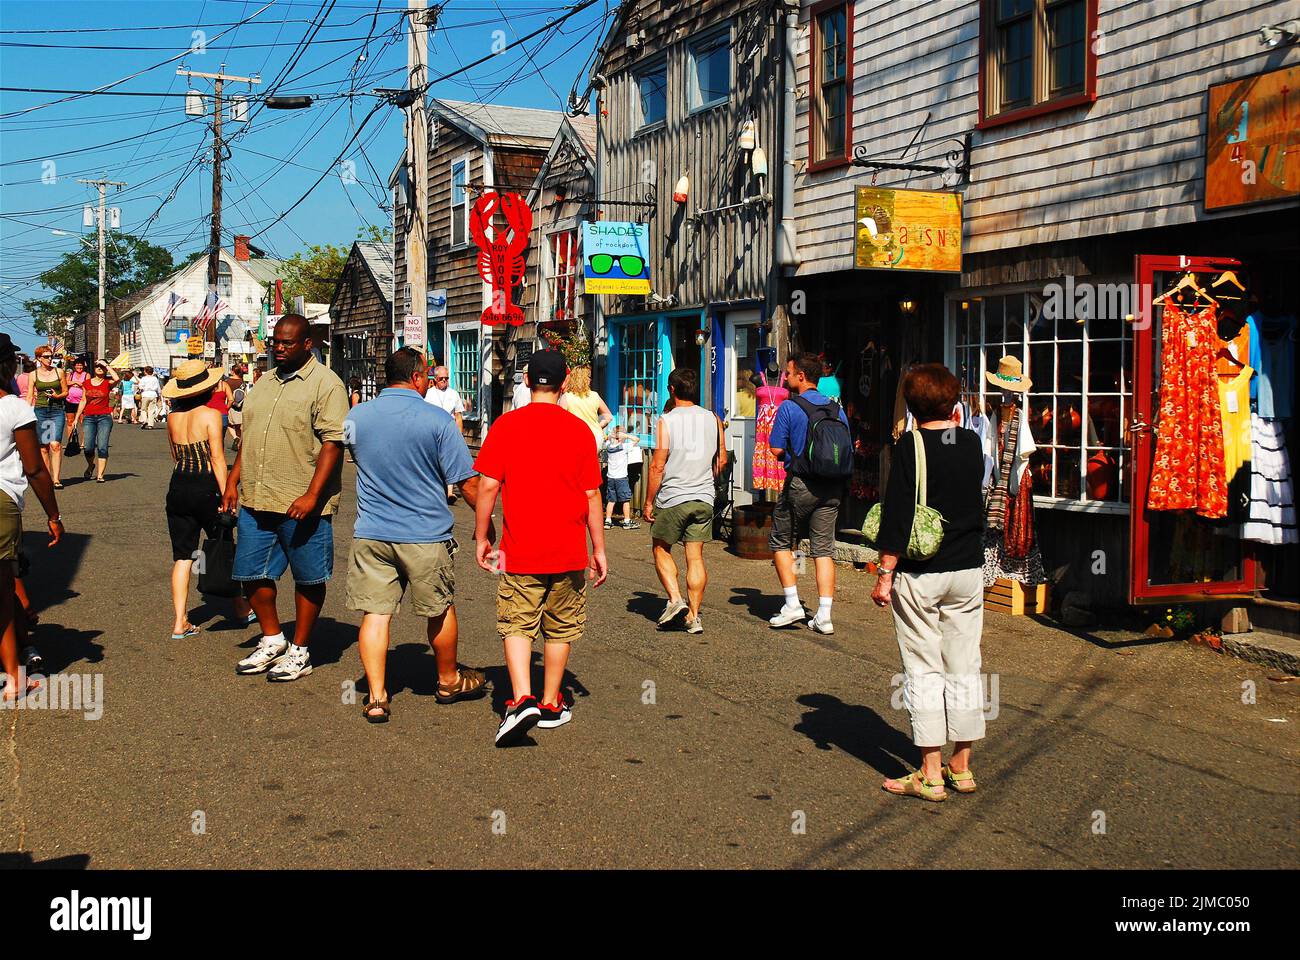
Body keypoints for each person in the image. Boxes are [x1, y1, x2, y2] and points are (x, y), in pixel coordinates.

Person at [344, 347, 488, 723]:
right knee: (439, 609)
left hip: (373, 532)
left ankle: (376, 697)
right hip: (424, 534)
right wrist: (486, 525)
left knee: (375, 613)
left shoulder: (357, 417)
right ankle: (447, 680)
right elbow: (466, 482)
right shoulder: (437, 421)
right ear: (418, 377)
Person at [473, 349, 607, 747]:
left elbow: (488, 485)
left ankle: (520, 699)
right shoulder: (580, 431)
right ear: (564, 384)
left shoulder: (506, 426)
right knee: (560, 625)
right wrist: (598, 547)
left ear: (528, 382)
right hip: (569, 550)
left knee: (517, 620)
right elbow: (592, 495)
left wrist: (482, 535)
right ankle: (550, 702)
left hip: (519, 549)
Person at [871, 364, 986, 802]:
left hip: (923, 571)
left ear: (912, 405)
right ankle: (963, 765)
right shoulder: (972, 441)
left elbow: (899, 514)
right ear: (953, 402)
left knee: (923, 667)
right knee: (964, 664)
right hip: (968, 570)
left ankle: (931, 773)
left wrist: (885, 573)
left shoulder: (910, 445)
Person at [221, 314, 349, 682]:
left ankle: (300, 650)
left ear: (307, 344)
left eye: (287, 342)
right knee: (250, 573)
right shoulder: (264, 382)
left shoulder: (327, 385)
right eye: (275, 341)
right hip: (257, 498)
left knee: (308, 578)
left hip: (302, 502)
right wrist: (233, 478)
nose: (278, 347)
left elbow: (333, 443)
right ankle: (273, 638)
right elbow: (252, 435)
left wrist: (312, 494)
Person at [163, 359, 252, 639]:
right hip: (207, 485)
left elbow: (175, 455)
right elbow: (216, 457)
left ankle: (180, 621)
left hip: (179, 484)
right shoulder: (211, 415)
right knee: (222, 545)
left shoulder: (173, 418)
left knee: (182, 555)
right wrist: (228, 493)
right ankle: (239, 607)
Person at [767, 352, 850, 634]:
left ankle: (792, 604)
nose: (786, 377)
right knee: (823, 549)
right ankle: (824, 615)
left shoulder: (790, 408)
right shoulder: (837, 409)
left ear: (801, 376)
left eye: (788, 373)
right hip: (833, 487)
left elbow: (776, 449)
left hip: (801, 483)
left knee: (782, 541)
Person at [0, 334, 63, 702]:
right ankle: (13, 678)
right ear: (9, 366)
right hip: (2, 502)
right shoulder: (14, 408)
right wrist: (53, 515)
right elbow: (35, 468)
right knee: (3, 594)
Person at [641, 368, 725, 635]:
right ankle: (694, 616)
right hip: (704, 497)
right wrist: (706, 480)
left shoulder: (667, 420)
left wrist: (648, 501)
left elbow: (657, 466)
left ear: (672, 390)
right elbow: (721, 460)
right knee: (695, 556)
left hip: (675, 496)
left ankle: (675, 599)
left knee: (661, 548)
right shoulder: (712, 418)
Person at [424, 365, 466, 505]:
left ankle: (449, 492)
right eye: (441, 379)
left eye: (446, 378)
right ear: (435, 379)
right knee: (435, 462)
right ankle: (434, 489)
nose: (444, 381)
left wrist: (459, 434)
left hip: (449, 431)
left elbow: (458, 415)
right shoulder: (428, 394)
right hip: (431, 432)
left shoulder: (453, 393)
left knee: (449, 461)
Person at [27, 346, 68, 489]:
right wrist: (26, 413)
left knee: (55, 445)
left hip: (56, 411)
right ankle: (47, 478)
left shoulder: (59, 372)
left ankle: (56, 479)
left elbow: (65, 392)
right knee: (44, 447)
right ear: (38, 358)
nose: (50, 359)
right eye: (46, 356)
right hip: (41, 411)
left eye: (51, 356)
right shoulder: (33, 375)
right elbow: (30, 396)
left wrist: (57, 396)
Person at [72, 359, 119, 482]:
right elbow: (83, 400)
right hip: (89, 417)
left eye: (101, 366)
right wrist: (76, 418)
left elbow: (117, 378)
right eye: (97, 366)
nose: (99, 368)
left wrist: (106, 365)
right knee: (88, 447)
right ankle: (90, 465)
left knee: (102, 446)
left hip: (104, 417)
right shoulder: (86, 383)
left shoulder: (108, 383)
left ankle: (100, 475)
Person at [560, 365, 613, 449]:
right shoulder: (595, 395)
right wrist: (598, 426)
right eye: (588, 377)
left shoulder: (566, 397)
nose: (590, 379)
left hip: (576, 437)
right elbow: (609, 416)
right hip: (595, 437)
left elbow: (561, 421)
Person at [603, 423, 641, 530]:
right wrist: (627, 436)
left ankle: (608, 521)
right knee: (625, 500)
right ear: (621, 437)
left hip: (611, 478)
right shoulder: (624, 447)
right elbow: (637, 439)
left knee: (611, 500)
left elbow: (605, 439)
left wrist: (611, 436)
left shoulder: (609, 446)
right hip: (621, 478)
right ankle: (627, 521)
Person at [64, 358, 88, 444]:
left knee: (82, 422)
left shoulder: (86, 375)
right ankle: (70, 442)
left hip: (81, 401)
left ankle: (83, 442)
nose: (79, 367)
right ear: (74, 366)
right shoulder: (71, 374)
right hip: (70, 401)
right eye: (77, 365)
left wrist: (74, 383)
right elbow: (66, 382)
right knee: (70, 421)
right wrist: (77, 383)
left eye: (81, 365)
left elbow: (86, 384)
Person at [226, 365, 246, 450]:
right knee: (238, 425)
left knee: (229, 424)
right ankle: (239, 441)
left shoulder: (227, 381)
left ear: (233, 371)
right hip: (240, 406)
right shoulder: (242, 382)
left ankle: (235, 437)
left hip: (230, 405)